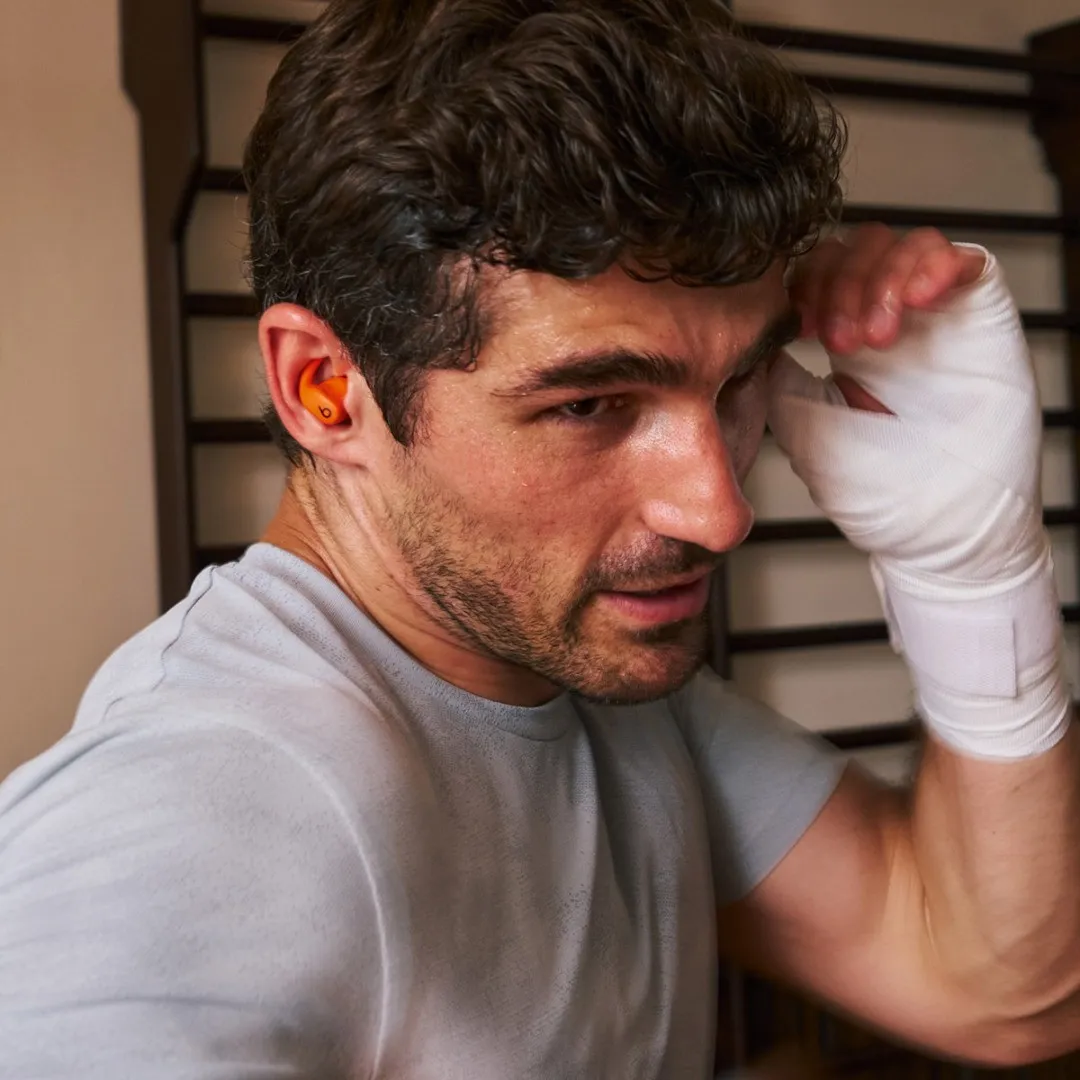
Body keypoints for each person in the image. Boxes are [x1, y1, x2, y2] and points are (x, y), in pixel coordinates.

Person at [2, 0, 1079, 1076]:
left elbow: (1004, 987)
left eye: (741, 380)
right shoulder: (197, 809)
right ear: (324, 388)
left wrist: (974, 578)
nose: (718, 510)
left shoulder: (594, 689)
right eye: (590, 405)